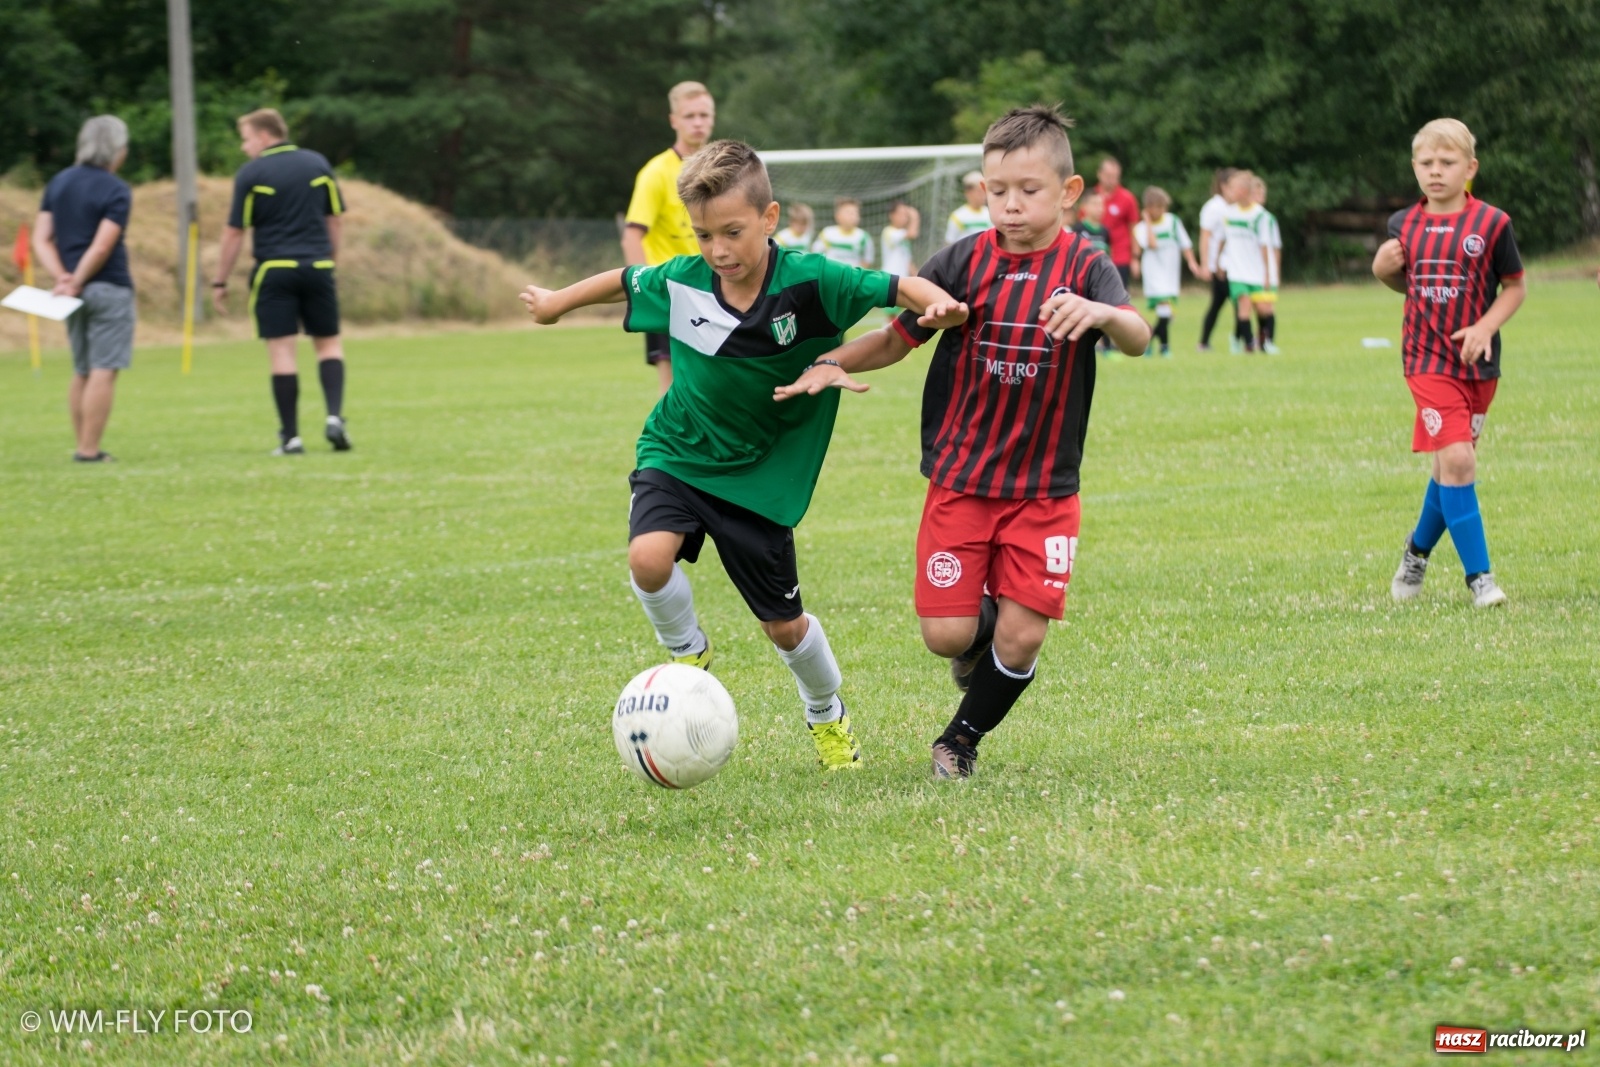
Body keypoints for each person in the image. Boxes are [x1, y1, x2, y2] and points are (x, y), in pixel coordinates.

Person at [520, 140, 967, 770]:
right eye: (704, 235)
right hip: (678, 449)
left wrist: (935, 306)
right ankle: (687, 651)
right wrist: (556, 304)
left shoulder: (815, 282)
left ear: (770, 218)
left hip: (761, 477)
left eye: (731, 232)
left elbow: (900, 286)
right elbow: (622, 280)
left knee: (785, 629)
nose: (718, 251)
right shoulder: (684, 280)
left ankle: (826, 712)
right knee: (648, 560)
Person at [777, 106, 1149, 780]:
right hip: (962, 479)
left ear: (1068, 192)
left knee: (1025, 631)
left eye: (1027, 191)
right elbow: (896, 337)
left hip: (1045, 490)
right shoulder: (961, 261)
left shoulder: (1087, 267)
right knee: (946, 635)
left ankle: (960, 739)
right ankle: (977, 640)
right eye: (996, 189)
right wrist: (832, 362)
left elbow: (1137, 334)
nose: (1009, 205)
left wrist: (1103, 314)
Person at [1373, 118, 1525, 609]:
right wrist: (1382, 271)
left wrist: (1484, 327)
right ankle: (1480, 579)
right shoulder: (1403, 225)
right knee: (1460, 460)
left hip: (1477, 363)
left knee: (1448, 468)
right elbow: (1409, 283)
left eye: (1447, 162)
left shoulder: (1492, 224)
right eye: (1426, 163)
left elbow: (1515, 287)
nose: (1435, 172)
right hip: (1425, 360)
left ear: (1470, 168)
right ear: (1414, 167)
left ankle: (1416, 551)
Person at [212, 108, 350, 455]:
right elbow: (334, 219)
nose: (244, 148)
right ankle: (334, 417)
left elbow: (234, 232)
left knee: (282, 351)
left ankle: (291, 438)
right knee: (329, 344)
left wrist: (220, 280)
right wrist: (330, 261)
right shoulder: (318, 164)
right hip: (318, 266)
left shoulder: (252, 173)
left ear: (263, 136)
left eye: (245, 139)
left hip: (275, 269)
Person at [32, 115, 135, 463]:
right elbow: (103, 246)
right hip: (108, 287)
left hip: (69, 294)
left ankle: (82, 444)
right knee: (105, 368)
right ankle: (89, 450)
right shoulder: (115, 188)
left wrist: (62, 277)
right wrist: (77, 278)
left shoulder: (58, 183)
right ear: (117, 150)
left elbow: (41, 239)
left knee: (82, 368)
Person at [622, 81, 716, 394]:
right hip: (671, 291)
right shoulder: (656, 172)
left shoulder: (722, 169)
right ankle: (669, 443)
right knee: (674, 388)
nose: (698, 122)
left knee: (721, 382)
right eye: (690, 115)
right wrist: (646, 290)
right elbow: (632, 235)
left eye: (704, 114)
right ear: (674, 120)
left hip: (716, 289)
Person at [1206, 169, 1273, 353]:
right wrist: (1218, 261)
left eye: (1232, 188)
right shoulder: (1228, 214)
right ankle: (1249, 345)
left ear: (1243, 191)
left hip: (1256, 271)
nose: (1228, 192)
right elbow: (1221, 239)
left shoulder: (1260, 216)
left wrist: (1267, 273)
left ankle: (1262, 340)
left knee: (1262, 309)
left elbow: (1264, 246)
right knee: (1244, 304)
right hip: (1236, 271)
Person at [1132, 186, 1201, 357]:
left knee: (1169, 315)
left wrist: (1192, 262)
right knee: (1165, 310)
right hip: (1154, 274)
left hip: (1170, 274)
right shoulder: (1140, 228)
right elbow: (1152, 244)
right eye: (1158, 207)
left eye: (1164, 207)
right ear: (1148, 208)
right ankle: (1165, 348)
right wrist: (1147, 222)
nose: (1162, 211)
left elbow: (1185, 244)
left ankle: (1149, 341)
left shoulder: (1173, 221)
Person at [1196, 167, 1232, 351]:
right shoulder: (1214, 207)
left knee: (1220, 304)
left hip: (1233, 265)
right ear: (1224, 186)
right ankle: (1204, 342)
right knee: (1224, 303)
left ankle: (1204, 342)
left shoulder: (1233, 206)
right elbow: (1205, 236)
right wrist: (1205, 264)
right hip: (1219, 266)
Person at [1094, 156, 1141, 288]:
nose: (1111, 180)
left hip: (1120, 257)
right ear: (1099, 174)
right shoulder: (1091, 197)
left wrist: (1135, 258)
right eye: (1108, 175)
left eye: (1115, 176)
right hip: (1095, 256)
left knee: (1119, 297)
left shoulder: (1127, 198)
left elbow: (1134, 229)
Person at [1250, 175, 1283, 354]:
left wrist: (1274, 270)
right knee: (1252, 308)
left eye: (1262, 193)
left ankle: (1267, 341)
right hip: (1249, 269)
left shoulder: (1268, 219)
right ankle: (1255, 341)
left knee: (1267, 307)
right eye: (1256, 193)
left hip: (1266, 269)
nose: (1260, 197)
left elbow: (1276, 247)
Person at [812, 198, 874, 268]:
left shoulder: (864, 237)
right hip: (830, 275)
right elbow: (816, 254)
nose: (853, 216)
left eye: (855, 212)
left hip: (851, 276)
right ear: (837, 216)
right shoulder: (827, 233)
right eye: (848, 212)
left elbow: (867, 260)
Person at [944, 171, 992, 244]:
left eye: (985, 191)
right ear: (968, 193)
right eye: (979, 191)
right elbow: (949, 243)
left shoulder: (990, 214)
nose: (984, 195)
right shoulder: (958, 216)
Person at [880, 201, 920, 276]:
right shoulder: (888, 231)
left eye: (905, 214)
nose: (904, 217)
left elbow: (907, 262)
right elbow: (913, 233)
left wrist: (918, 276)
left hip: (901, 279)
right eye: (900, 214)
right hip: (889, 277)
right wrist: (915, 216)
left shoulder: (903, 235)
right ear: (891, 215)